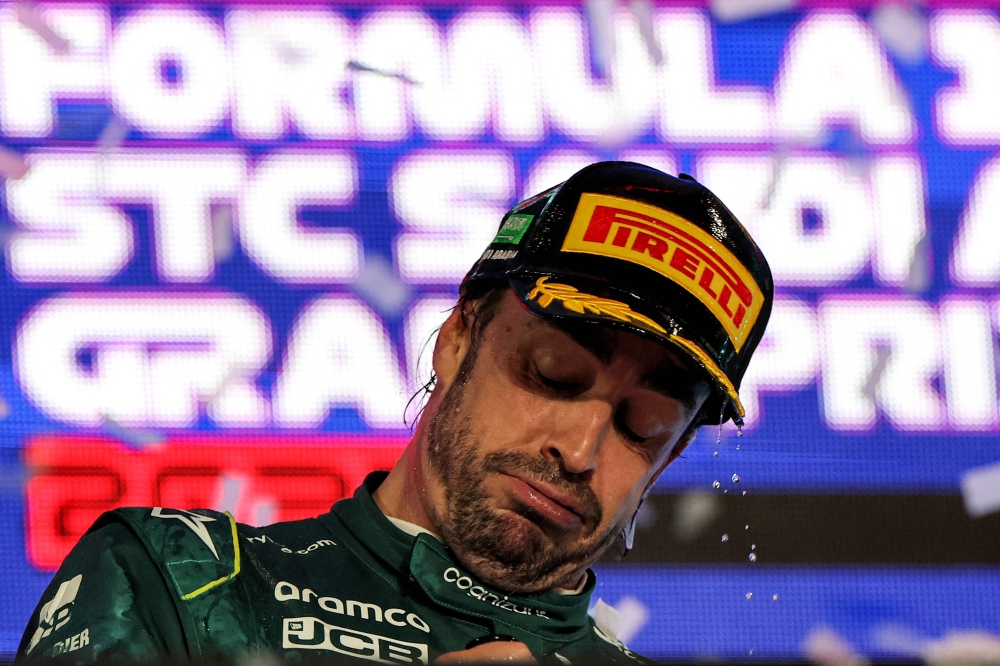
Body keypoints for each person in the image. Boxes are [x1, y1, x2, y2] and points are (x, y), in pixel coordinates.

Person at [17, 162, 773, 664]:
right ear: (457, 337)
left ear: (666, 462)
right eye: (555, 374)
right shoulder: (180, 582)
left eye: (642, 426)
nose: (579, 450)